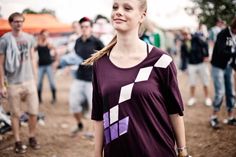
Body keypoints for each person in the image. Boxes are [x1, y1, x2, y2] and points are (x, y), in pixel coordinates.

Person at [83, 0, 190, 156]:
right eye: (115, 7)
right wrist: (97, 154)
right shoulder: (101, 64)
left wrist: (182, 151)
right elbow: (99, 116)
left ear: (142, 15)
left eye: (127, 8)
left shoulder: (161, 61)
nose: (118, 12)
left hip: (157, 151)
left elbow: (174, 111)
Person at [0, 12, 40, 154]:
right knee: (15, 114)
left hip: (29, 81)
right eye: (16, 21)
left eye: (21, 21)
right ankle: (17, 141)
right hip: (13, 83)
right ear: (11, 23)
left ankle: (32, 137)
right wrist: (2, 85)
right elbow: (1, 64)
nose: (19, 24)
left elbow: (33, 58)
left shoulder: (29, 38)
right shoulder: (5, 40)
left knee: (34, 112)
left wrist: (35, 79)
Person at [69, 17, 104, 136]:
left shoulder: (97, 42)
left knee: (92, 107)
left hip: (92, 80)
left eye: (87, 27)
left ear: (91, 28)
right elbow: (75, 56)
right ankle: (79, 124)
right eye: (82, 27)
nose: (84, 29)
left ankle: (92, 131)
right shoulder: (77, 41)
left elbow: (105, 56)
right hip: (79, 78)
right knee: (73, 104)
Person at [210, 17, 236, 129]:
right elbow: (221, 51)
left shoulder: (235, 36)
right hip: (218, 66)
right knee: (220, 92)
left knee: (231, 92)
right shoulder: (223, 34)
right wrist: (234, 53)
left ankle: (230, 117)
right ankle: (213, 117)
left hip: (228, 66)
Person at [185, 25, 212, 107]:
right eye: (184, 34)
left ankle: (207, 98)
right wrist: (184, 66)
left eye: (187, 34)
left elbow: (205, 44)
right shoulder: (185, 42)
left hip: (201, 63)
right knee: (192, 82)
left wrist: (206, 55)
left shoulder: (197, 38)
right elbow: (185, 55)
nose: (186, 36)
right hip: (191, 64)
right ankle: (192, 98)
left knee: (205, 81)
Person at [35, 29, 57, 104]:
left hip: (48, 65)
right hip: (41, 65)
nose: (45, 36)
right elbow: (32, 52)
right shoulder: (37, 44)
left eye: (47, 35)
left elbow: (55, 51)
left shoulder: (48, 43)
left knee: (52, 82)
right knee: (39, 83)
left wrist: (55, 61)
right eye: (44, 35)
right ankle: (39, 99)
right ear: (41, 35)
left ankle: (54, 98)